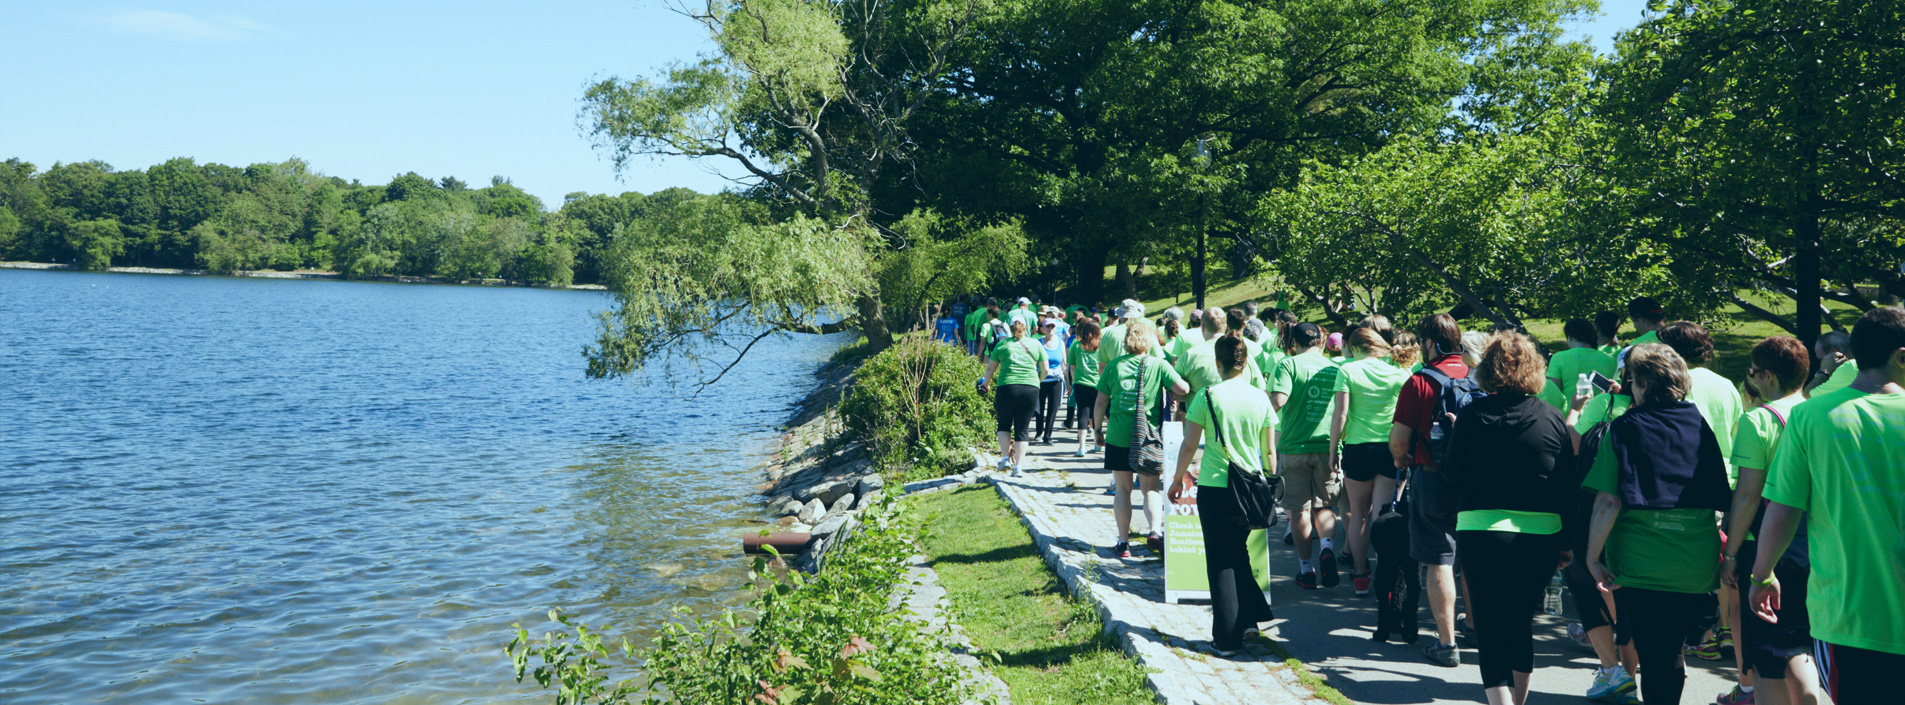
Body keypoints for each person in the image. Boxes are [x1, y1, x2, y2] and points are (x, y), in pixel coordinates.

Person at [1750, 307, 1905, 705]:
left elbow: (1783, 509)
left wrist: (1762, 575)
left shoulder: (1810, 416)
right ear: (1901, 356)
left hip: (1848, 617)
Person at [1583, 344, 1732, 705]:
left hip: (1643, 562)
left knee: (1655, 655)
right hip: (1695, 562)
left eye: (1632, 380)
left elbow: (1608, 501)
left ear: (1645, 384)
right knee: (1669, 652)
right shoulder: (1700, 425)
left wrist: (1592, 557)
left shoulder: (1625, 427)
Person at [1444, 332, 1576, 705]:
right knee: (1520, 622)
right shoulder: (1552, 417)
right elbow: (1567, 486)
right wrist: (1566, 543)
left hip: (1480, 529)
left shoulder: (1472, 415)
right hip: (1540, 533)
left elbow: (1451, 474)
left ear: (1486, 369)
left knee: (1488, 624)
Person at [1716, 336, 1820, 705]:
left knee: (1766, 654)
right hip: (1815, 544)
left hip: (1764, 547)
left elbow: (1748, 494)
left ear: (1768, 376)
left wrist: (1730, 554)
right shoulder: (1818, 413)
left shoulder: (1758, 419)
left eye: (1753, 372)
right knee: (1801, 645)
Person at [1168, 327, 1278, 657]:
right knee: (1238, 553)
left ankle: (1226, 639)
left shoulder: (1207, 396)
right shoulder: (1260, 397)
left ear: (1218, 363)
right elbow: (1269, 451)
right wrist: (1270, 481)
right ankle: (1249, 621)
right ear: (1244, 363)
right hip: (1251, 488)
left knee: (1220, 562)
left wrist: (1177, 479)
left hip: (1216, 486)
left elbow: (1190, 444)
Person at [1654, 321, 1746, 666]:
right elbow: (1737, 433)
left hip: (1685, 483)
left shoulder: (1674, 384)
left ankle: (1700, 636)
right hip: (1726, 481)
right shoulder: (1726, 385)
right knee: (1721, 559)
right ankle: (1725, 630)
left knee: (1686, 562)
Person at [1391, 313, 1471, 667]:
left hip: (1432, 475)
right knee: (1469, 555)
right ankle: (1475, 627)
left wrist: (1403, 459)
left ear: (1428, 343)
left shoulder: (1420, 382)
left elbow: (1398, 441)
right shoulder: (1477, 376)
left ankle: (1447, 643)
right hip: (1473, 481)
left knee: (1439, 558)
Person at [1093, 317, 1189, 558]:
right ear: (1149, 341)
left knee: (1122, 490)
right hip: (1148, 435)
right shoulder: (1158, 365)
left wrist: (1098, 430)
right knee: (1150, 488)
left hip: (1118, 435)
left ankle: (1123, 543)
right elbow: (1183, 389)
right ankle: (1155, 531)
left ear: (1127, 341)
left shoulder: (1113, 366)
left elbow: (1100, 402)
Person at [1330, 327, 1414, 596]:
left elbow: (1340, 415)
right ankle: (1385, 578)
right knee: (1383, 516)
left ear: (1355, 348)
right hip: (1391, 448)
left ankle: (1359, 574)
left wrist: (1333, 449)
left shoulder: (1348, 370)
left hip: (1357, 448)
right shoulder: (1399, 370)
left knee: (1358, 514)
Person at [1270, 322, 1344, 590]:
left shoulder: (1288, 365)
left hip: (1294, 446)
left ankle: (1306, 570)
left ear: (1293, 343)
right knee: (1324, 506)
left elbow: (1278, 400)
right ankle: (1326, 547)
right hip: (1328, 446)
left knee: (1299, 509)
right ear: (1320, 341)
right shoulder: (1335, 367)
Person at [981, 318, 1044, 478]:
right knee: (1022, 428)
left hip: (1007, 388)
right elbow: (1045, 369)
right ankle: (1018, 467)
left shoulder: (1002, 345)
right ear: (1026, 327)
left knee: (1004, 423)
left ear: (1009, 328)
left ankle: (1004, 459)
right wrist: (1036, 381)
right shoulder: (1036, 344)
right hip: (1030, 389)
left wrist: (985, 385)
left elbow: (990, 368)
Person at [1177, 308, 1263, 402]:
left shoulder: (1188, 356)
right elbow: (1261, 390)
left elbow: (1174, 393)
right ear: (1226, 326)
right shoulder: (1242, 355)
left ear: (1203, 327)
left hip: (1201, 410)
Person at [1541, 318, 1617, 412]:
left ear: (1570, 337)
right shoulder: (1611, 360)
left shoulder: (1559, 358)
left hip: (1569, 415)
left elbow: (1554, 393)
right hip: (1602, 416)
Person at [1068, 319, 1105, 457]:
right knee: (1097, 415)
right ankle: (1097, 443)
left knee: (1082, 414)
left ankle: (1082, 447)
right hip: (1098, 384)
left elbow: (1072, 367)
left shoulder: (1076, 346)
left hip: (1080, 384)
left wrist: (1074, 381)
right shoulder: (1101, 346)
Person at [1036, 320, 1067, 445]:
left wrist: (1068, 383)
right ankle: (1039, 431)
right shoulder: (1038, 343)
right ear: (1043, 328)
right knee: (1039, 408)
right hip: (1041, 380)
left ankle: (1047, 437)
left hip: (1056, 380)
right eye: (1047, 326)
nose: (1050, 328)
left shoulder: (1060, 343)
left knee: (1053, 409)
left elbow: (1064, 364)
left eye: (1052, 326)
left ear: (1055, 328)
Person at [1617, 296, 1667, 369]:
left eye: (1633, 321)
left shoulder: (1638, 345)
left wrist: (1627, 354)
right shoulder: (1678, 333)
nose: (1635, 327)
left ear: (1640, 318)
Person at [1804, 330, 1857, 397]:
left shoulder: (1846, 368)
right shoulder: (1861, 362)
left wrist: (1823, 372)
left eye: (1821, 359)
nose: (1822, 363)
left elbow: (1806, 396)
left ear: (1833, 353)